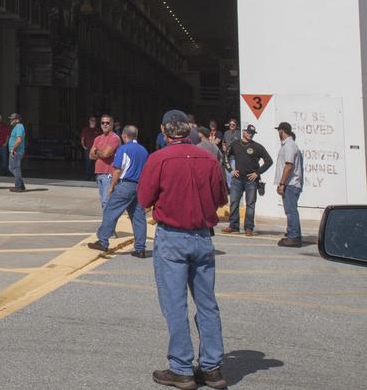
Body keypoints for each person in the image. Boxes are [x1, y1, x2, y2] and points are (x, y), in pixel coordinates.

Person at [138, 110, 229, 390]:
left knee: (175, 303)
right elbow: (220, 197)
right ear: (189, 131)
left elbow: (143, 199)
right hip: (202, 236)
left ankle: (181, 367)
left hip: (172, 236)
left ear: (164, 132)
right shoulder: (208, 159)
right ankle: (212, 368)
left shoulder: (159, 159)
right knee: (207, 303)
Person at [88, 124, 148, 257]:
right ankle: (140, 248)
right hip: (139, 186)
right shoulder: (144, 151)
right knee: (138, 217)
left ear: (124, 136)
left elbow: (117, 170)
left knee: (110, 210)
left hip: (125, 185)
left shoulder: (123, 149)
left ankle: (103, 241)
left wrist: (112, 186)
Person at [222, 124, 270, 236]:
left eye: (252, 133)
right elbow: (225, 157)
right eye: (248, 132)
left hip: (251, 181)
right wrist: (230, 170)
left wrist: (257, 173)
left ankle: (249, 227)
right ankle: (233, 226)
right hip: (237, 179)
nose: (250, 134)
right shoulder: (235, 144)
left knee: (250, 204)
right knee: (234, 202)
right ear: (243, 132)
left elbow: (268, 161)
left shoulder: (257, 147)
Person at [274, 121, 305, 247]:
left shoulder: (289, 145)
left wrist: (282, 183)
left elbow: (289, 165)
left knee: (291, 211)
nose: (278, 133)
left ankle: (294, 237)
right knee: (291, 210)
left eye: (278, 131)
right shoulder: (289, 145)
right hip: (290, 184)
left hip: (290, 184)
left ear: (282, 131)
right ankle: (293, 233)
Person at [88, 115, 120, 208]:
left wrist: (97, 151)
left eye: (107, 123)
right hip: (99, 174)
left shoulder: (114, 138)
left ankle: (107, 222)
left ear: (112, 124)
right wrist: (102, 153)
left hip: (108, 174)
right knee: (103, 202)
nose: (105, 125)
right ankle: (107, 222)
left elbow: (105, 154)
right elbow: (90, 155)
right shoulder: (97, 138)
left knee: (107, 203)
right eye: (103, 123)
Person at [7, 113, 27, 192]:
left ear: (17, 120)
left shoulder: (19, 127)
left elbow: (19, 140)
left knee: (15, 168)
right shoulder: (17, 127)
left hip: (16, 152)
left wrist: (13, 149)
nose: (11, 120)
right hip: (15, 151)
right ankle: (21, 185)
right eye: (11, 119)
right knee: (12, 168)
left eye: (12, 119)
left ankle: (18, 186)